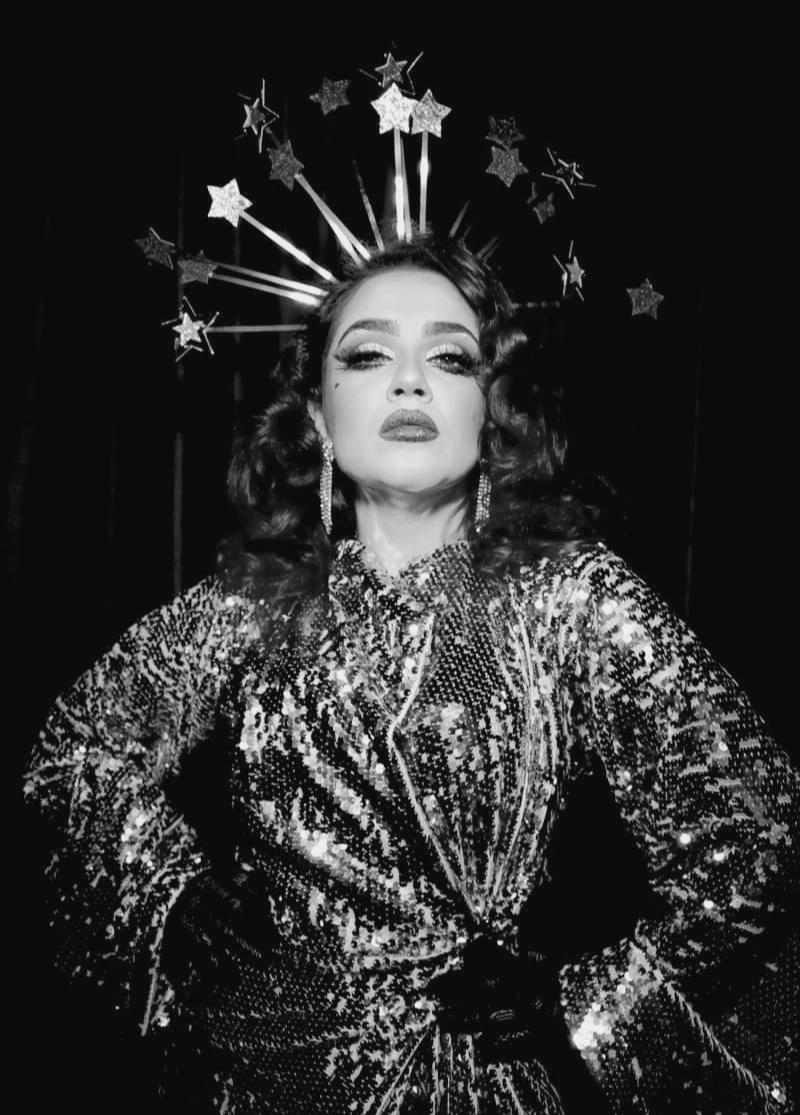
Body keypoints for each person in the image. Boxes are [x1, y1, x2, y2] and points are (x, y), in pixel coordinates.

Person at [24, 234, 799, 1113]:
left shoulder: (572, 597)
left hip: (480, 1087)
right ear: (317, 415)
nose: (408, 381)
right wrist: (168, 884)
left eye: (451, 357)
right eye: (367, 355)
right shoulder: (253, 604)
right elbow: (74, 751)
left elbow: (758, 838)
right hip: (255, 1078)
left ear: (493, 411)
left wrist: (589, 1005)